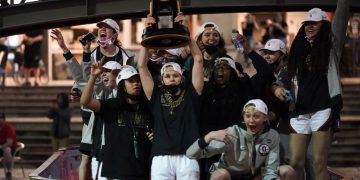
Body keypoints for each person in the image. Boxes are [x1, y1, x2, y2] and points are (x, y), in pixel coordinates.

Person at [272, 1, 350, 179]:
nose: (309, 26)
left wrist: (342, 3)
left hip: (323, 108)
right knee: (295, 163)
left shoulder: (331, 45)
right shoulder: (297, 49)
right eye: (307, 23)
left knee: (318, 162)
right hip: (299, 110)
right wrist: (277, 87)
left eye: (314, 23)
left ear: (324, 25)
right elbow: (284, 75)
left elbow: (341, 18)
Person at [137, 12, 204, 180]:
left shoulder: (191, 93)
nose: (172, 78)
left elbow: (198, 59)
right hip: (161, 156)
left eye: (175, 75)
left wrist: (185, 31)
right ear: (162, 79)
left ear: (182, 77)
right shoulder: (155, 94)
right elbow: (142, 65)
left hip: (189, 154)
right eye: (167, 76)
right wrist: (147, 31)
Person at [186, 99, 295, 180]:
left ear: (265, 118)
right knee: (220, 175)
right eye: (247, 116)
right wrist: (208, 137)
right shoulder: (232, 134)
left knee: (287, 171)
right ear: (243, 118)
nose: (251, 120)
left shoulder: (272, 135)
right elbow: (191, 154)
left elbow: (271, 170)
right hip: (230, 176)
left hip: (255, 176)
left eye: (256, 116)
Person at [81, 64, 152, 179]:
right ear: (122, 85)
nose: (136, 83)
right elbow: (85, 101)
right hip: (115, 172)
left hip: (141, 172)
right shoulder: (111, 105)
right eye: (131, 81)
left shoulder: (147, 107)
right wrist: (93, 77)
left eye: (138, 80)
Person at [200, 56, 254, 179]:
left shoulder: (242, 89)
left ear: (233, 73)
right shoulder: (207, 91)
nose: (220, 70)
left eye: (225, 68)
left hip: (236, 142)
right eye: (217, 67)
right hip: (214, 144)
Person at [0, 113, 19, 180]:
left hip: (12, 149)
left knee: (7, 150)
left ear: (4, 119)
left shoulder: (9, 128)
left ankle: (8, 172)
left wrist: (1, 147)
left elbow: (9, 143)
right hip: (1, 148)